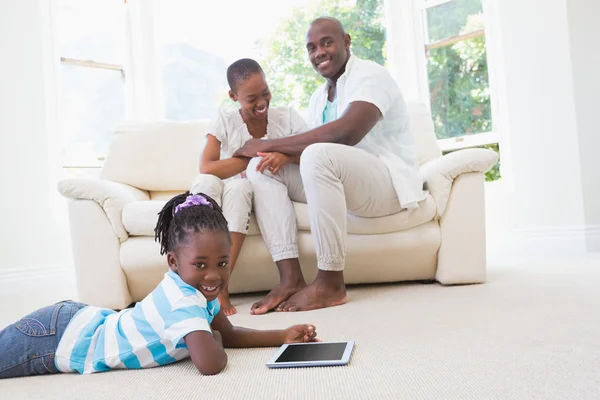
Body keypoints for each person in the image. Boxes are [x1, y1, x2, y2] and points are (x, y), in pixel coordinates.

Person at [0, 193, 319, 379]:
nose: (213, 276)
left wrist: (281, 336)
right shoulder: (182, 302)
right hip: (58, 340)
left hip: (79, 320)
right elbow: (209, 364)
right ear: (173, 262)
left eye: (222, 264)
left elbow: (230, 333)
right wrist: (213, 338)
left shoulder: (197, 292)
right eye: (200, 264)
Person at [233, 17, 428, 314]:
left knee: (314, 154)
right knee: (259, 169)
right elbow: (311, 150)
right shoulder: (319, 97)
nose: (319, 52)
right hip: (341, 185)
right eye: (311, 47)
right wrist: (277, 155)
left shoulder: (371, 75)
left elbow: (345, 133)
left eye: (327, 42)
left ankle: (330, 282)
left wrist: (266, 143)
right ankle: (290, 279)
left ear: (346, 41)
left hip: (386, 185)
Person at [191, 58, 307, 316]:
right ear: (233, 96)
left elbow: (313, 153)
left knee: (253, 177)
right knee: (233, 187)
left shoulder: (287, 116)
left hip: (279, 186)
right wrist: (252, 155)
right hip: (239, 191)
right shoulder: (225, 118)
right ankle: (213, 286)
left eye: (265, 93)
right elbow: (208, 167)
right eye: (251, 98)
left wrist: (284, 156)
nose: (262, 102)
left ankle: (220, 286)